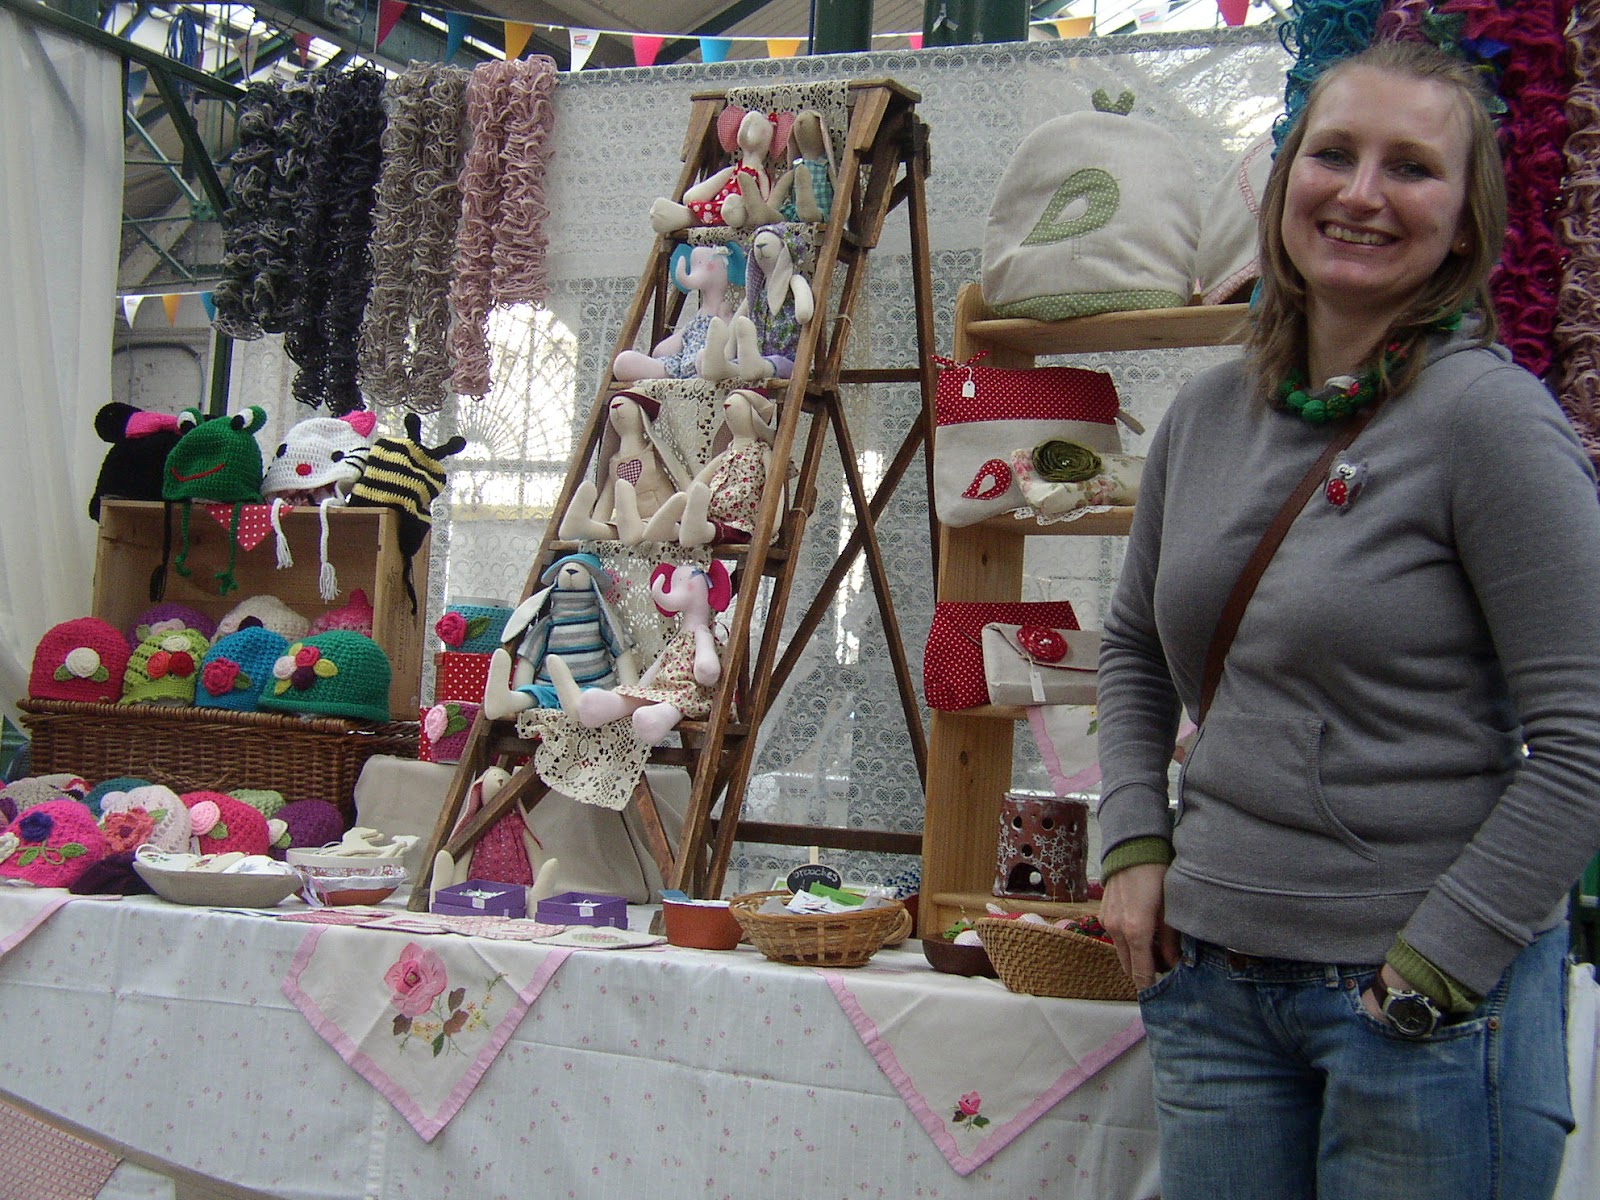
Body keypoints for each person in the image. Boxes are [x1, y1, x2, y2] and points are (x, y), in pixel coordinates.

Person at [1095, 40, 1600, 1200]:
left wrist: (1435, 968)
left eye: (1411, 169)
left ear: (1464, 226)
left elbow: (1580, 742)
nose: (1361, 193)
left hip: (1416, 1009)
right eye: (1332, 154)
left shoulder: (1490, 425)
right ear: (1282, 190)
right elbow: (1130, 650)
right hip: (1212, 990)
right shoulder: (1206, 415)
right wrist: (1131, 844)